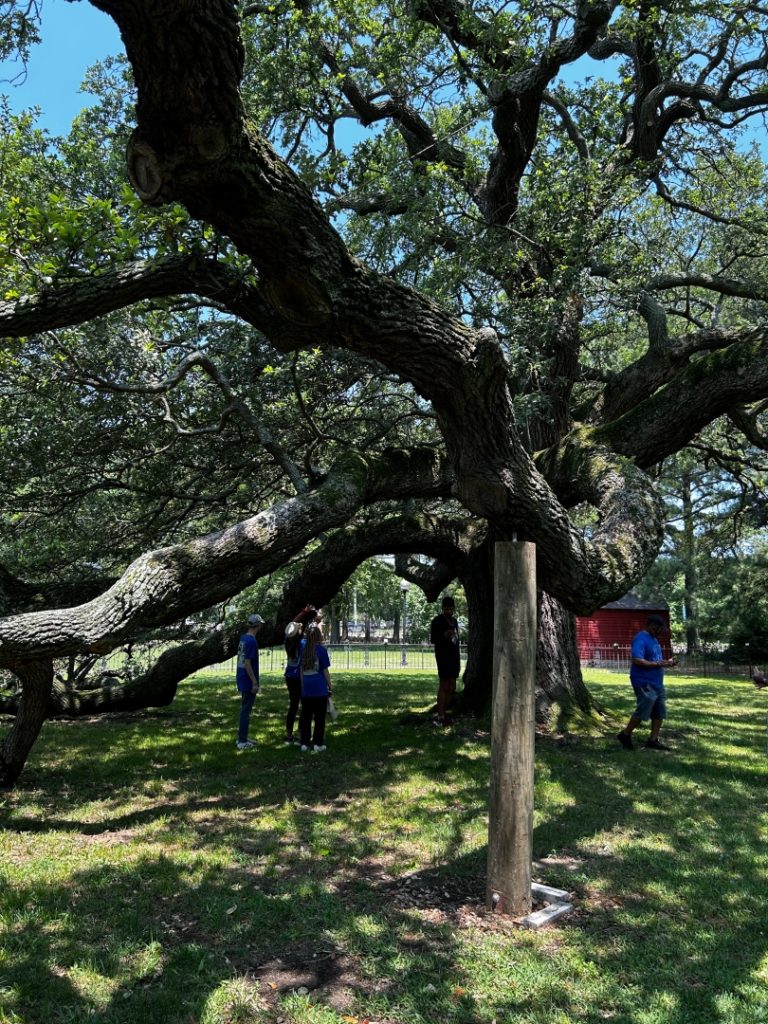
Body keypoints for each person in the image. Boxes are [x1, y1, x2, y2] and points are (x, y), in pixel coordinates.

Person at [616, 614, 677, 751]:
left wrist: (667, 663)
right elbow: (637, 659)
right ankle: (625, 735)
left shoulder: (654, 639)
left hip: (657, 682)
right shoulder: (640, 638)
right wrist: (658, 664)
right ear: (651, 626)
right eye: (659, 629)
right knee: (643, 710)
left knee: (659, 712)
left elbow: (656, 660)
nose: (660, 632)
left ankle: (653, 740)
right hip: (644, 681)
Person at [283, 604, 319, 744]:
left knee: (293, 705)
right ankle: (301, 732)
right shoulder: (303, 643)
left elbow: (292, 625)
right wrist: (311, 617)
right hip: (301, 677)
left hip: (289, 676)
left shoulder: (287, 642)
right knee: (304, 706)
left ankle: (289, 733)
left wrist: (303, 612)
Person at [298, 622, 332, 753]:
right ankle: (318, 743)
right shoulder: (322, 650)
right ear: (319, 636)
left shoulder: (303, 649)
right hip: (319, 688)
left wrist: (302, 685)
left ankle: (304, 743)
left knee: (306, 716)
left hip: (306, 687)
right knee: (320, 718)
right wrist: (330, 685)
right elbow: (325, 671)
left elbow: (301, 670)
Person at [235, 613, 264, 750]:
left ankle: (243, 736)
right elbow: (247, 663)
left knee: (245, 708)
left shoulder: (243, 638)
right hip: (248, 679)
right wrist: (255, 682)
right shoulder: (252, 642)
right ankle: (242, 741)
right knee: (246, 711)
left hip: (241, 676)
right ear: (258, 626)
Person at [430, 595, 460, 726]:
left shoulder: (455, 621)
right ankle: (440, 714)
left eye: (451, 609)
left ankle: (445, 712)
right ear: (442, 608)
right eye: (446, 609)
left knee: (452, 685)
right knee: (444, 684)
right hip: (443, 656)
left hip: (454, 656)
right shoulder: (437, 621)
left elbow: (456, 638)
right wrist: (444, 635)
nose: (449, 611)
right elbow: (433, 639)